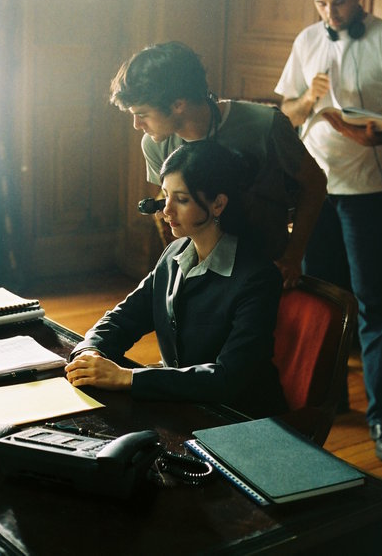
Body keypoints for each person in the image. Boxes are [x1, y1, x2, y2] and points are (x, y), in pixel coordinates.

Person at [275, 0, 382, 464]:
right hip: (315, 190)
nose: (330, 13)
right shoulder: (306, 40)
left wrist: (377, 133)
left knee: (374, 307)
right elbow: (285, 114)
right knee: (324, 297)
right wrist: (309, 102)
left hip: (369, 194)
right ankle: (328, 399)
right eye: (321, 3)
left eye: (339, 1)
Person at [66, 140, 287, 418]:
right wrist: (91, 351)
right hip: (184, 404)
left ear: (218, 204)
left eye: (181, 200)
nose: (166, 211)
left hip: (238, 418)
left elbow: (228, 379)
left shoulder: (257, 277)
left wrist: (127, 378)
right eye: (166, 196)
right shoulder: (175, 252)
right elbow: (124, 318)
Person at [109, 41, 326, 289]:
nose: (137, 125)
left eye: (143, 114)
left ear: (178, 104)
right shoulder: (154, 144)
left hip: (266, 270)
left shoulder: (266, 125)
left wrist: (293, 256)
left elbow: (315, 184)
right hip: (201, 276)